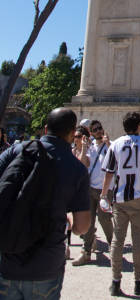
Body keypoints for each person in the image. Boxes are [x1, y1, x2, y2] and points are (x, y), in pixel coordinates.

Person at [0, 108, 91, 300]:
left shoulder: (18, 150)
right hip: (46, 262)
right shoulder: (77, 168)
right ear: (71, 132)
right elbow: (81, 227)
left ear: (45, 128)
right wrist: (68, 221)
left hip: (8, 256)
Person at [101, 111, 140, 297]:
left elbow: (109, 173)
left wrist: (104, 194)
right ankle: (138, 281)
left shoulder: (115, 145)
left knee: (117, 241)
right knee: (138, 241)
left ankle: (115, 282)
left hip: (120, 199)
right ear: (138, 126)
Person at [73, 119, 113, 266]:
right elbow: (83, 164)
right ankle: (86, 252)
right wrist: (83, 147)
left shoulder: (111, 145)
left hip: (106, 189)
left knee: (104, 219)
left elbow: (116, 161)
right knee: (88, 221)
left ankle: (114, 246)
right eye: (95, 130)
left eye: (100, 128)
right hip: (89, 188)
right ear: (91, 132)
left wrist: (108, 144)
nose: (98, 131)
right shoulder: (89, 147)